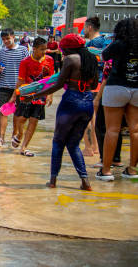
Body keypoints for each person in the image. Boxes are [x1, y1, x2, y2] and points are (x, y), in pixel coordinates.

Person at [27, 34, 98, 191]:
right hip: (87, 102)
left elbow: (57, 85)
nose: (62, 53)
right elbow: (93, 84)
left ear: (69, 48)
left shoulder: (70, 59)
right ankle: (85, 181)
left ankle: (52, 180)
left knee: (58, 141)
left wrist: (34, 95)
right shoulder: (92, 59)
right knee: (73, 144)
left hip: (71, 101)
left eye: (63, 49)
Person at [96, 18, 138, 181]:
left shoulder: (119, 43)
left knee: (112, 130)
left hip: (116, 87)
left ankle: (106, 171)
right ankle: (132, 170)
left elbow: (104, 56)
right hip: (136, 88)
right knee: (135, 130)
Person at [11, 37, 54, 157]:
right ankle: (19, 134)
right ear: (34, 49)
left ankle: (24, 147)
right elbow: (20, 80)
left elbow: (51, 81)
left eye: (45, 49)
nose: (44, 52)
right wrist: (15, 95)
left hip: (41, 95)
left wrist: (50, 95)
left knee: (34, 120)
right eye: (41, 49)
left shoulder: (49, 60)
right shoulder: (25, 62)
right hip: (26, 94)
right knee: (21, 119)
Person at [83, 16, 118, 162]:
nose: (84, 30)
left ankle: (89, 147)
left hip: (90, 83)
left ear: (90, 27)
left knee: (87, 115)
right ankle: (98, 147)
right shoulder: (107, 42)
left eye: (85, 27)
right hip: (105, 83)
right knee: (100, 117)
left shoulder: (90, 44)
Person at [0, 28, 29, 147]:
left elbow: (27, 69)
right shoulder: (1, 53)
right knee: (3, 112)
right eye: (3, 39)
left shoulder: (23, 51)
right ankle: (1, 138)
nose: (6, 41)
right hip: (4, 86)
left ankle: (14, 136)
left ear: (13, 37)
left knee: (17, 114)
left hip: (19, 88)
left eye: (7, 38)